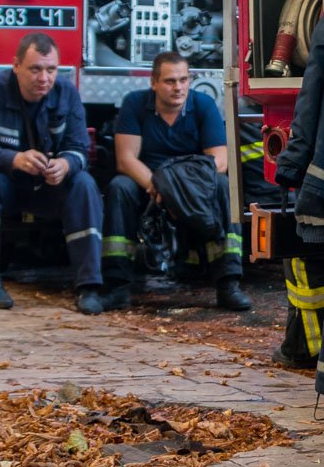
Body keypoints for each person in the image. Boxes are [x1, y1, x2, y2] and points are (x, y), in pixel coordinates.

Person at [0, 33, 114, 314]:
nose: (44, 78)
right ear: (16, 66)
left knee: (84, 183)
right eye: (35, 69)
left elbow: (79, 148)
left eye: (51, 69)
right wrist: (14, 159)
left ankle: (88, 287)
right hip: (4, 186)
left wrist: (65, 165)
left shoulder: (67, 93)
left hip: (49, 188)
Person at [102, 51, 251, 311]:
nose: (178, 88)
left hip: (192, 186)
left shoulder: (203, 105)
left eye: (184, 80)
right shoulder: (135, 103)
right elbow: (126, 160)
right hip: (149, 185)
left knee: (222, 185)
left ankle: (228, 285)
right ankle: (117, 287)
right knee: (119, 187)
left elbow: (219, 161)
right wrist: (162, 188)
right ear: (153, 83)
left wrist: (178, 189)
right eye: (170, 81)